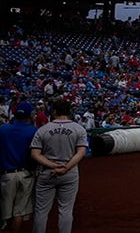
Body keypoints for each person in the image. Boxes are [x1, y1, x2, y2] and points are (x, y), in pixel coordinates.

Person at [30, 99, 87, 233]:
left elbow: (35, 154)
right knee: (66, 210)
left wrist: (53, 165)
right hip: (70, 173)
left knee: (41, 211)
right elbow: (81, 153)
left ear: (54, 111)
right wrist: (65, 167)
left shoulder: (42, 130)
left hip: (47, 172)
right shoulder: (79, 129)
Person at [1, 102, 36, 233]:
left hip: (6, 174)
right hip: (25, 173)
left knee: (5, 212)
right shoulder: (33, 131)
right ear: (29, 116)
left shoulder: (3, 129)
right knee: (19, 212)